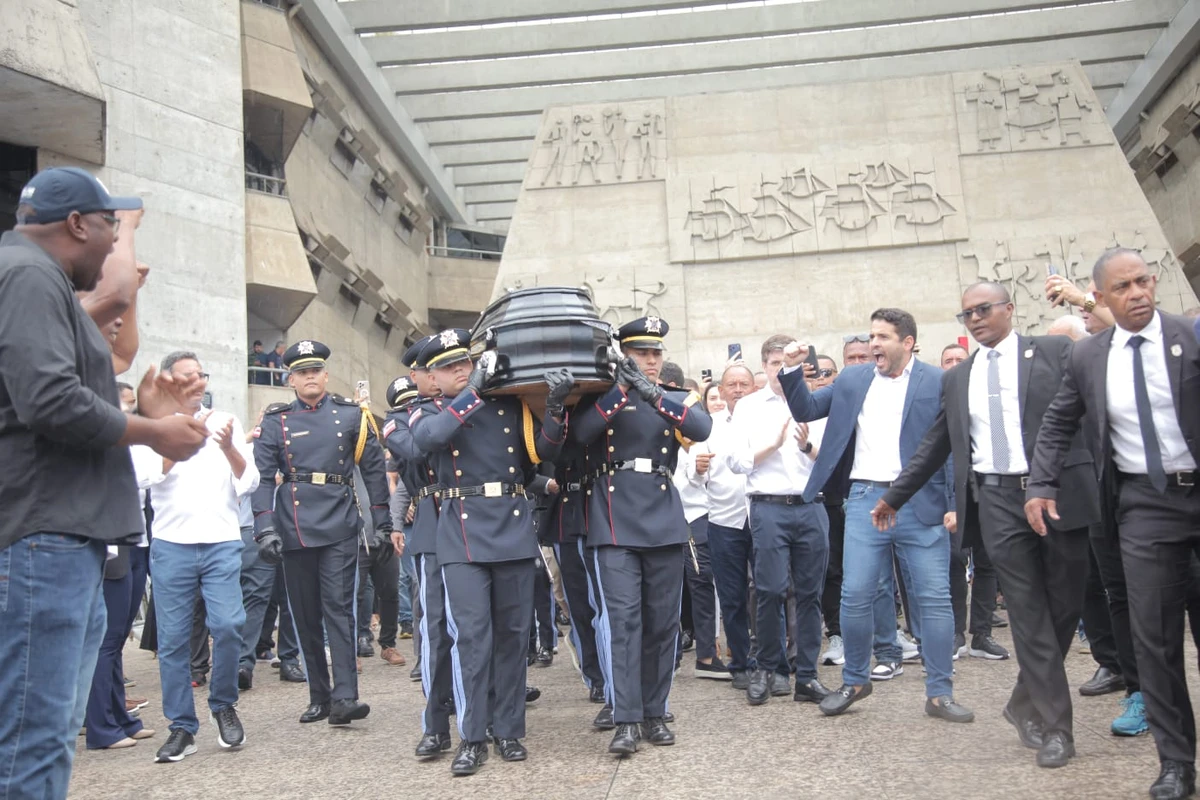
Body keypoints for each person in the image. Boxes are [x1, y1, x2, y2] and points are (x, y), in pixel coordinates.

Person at [0, 166, 209, 797]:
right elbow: (50, 403)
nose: (115, 239)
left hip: (60, 535)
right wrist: (152, 431)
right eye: (109, 225)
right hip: (45, 535)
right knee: (33, 739)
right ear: (75, 224)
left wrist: (145, 412)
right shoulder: (28, 274)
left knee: (46, 734)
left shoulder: (35, 278)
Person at [876, 281, 1100, 770]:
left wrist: (1086, 302)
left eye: (983, 309)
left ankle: (1021, 702)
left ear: (1009, 309)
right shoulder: (959, 378)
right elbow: (936, 443)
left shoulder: (1055, 351)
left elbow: (1095, 394)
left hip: (1058, 493)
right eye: (967, 314)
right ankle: (1055, 728)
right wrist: (894, 496)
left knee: (1064, 610)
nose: (975, 319)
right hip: (997, 500)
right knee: (1028, 615)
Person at [1026, 249, 1200, 798]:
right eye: (1122, 287)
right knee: (1155, 640)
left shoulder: (1190, 336)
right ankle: (1177, 764)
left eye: (1143, 281)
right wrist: (1041, 484)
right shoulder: (1088, 357)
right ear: (1100, 298)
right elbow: (1058, 423)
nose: (1138, 293)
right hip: (1145, 505)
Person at [781, 310, 970, 723]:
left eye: (883, 337)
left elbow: (952, 445)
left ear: (908, 342)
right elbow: (806, 407)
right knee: (855, 595)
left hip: (921, 500)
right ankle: (854, 681)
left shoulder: (937, 380)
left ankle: (940, 692)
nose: (874, 344)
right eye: (872, 336)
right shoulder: (853, 379)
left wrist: (955, 503)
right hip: (865, 499)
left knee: (934, 599)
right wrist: (791, 368)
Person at [409, 329, 570, 775]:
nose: (460, 370)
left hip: (511, 527)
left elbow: (543, 452)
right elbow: (429, 440)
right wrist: (474, 392)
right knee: (471, 639)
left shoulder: (509, 406)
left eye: (464, 362)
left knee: (513, 636)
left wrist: (555, 408)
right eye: (448, 367)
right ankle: (472, 735)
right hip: (461, 534)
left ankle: (509, 730)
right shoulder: (429, 411)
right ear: (433, 378)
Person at [573, 316, 712, 755]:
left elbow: (702, 429)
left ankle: (655, 712)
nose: (650, 360)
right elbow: (581, 435)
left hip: (663, 516)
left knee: (662, 623)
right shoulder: (603, 396)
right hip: (614, 520)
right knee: (624, 622)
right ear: (624, 355)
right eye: (641, 353)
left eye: (655, 353)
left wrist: (653, 394)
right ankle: (626, 718)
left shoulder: (671, 397)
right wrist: (621, 390)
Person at [251, 340, 392, 728]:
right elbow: (262, 479)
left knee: (339, 608)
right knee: (305, 613)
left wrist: (382, 524)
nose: (310, 377)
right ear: (291, 380)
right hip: (294, 525)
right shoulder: (276, 421)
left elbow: (374, 472)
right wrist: (264, 528)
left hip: (339, 522)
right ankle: (320, 696)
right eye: (302, 372)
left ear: (326, 375)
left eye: (315, 370)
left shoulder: (351, 416)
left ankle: (345, 696)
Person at [131, 351, 260, 763]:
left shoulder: (226, 420)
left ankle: (223, 704)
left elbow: (250, 480)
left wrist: (227, 448)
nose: (196, 382)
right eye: (187, 376)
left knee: (229, 624)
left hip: (221, 542)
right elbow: (142, 476)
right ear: (170, 381)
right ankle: (181, 727)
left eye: (200, 374)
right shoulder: (153, 425)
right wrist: (180, 444)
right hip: (172, 545)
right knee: (172, 641)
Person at [728, 335, 829, 708]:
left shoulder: (816, 402)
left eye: (787, 364)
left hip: (810, 503)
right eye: (773, 364)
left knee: (810, 593)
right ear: (765, 366)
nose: (779, 371)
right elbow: (736, 461)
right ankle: (767, 668)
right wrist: (771, 445)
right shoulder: (749, 407)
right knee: (770, 590)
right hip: (768, 505)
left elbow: (830, 460)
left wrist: (806, 447)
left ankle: (807, 675)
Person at [704, 364, 756, 688]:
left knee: (770, 591)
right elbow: (692, 473)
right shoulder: (707, 427)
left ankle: (771, 660)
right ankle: (741, 662)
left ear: (753, 388)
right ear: (721, 391)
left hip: (762, 516)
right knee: (732, 596)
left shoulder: (763, 419)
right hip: (724, 519)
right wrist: (697, 470)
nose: (737, 389)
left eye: (743, 384)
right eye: (731, 385)